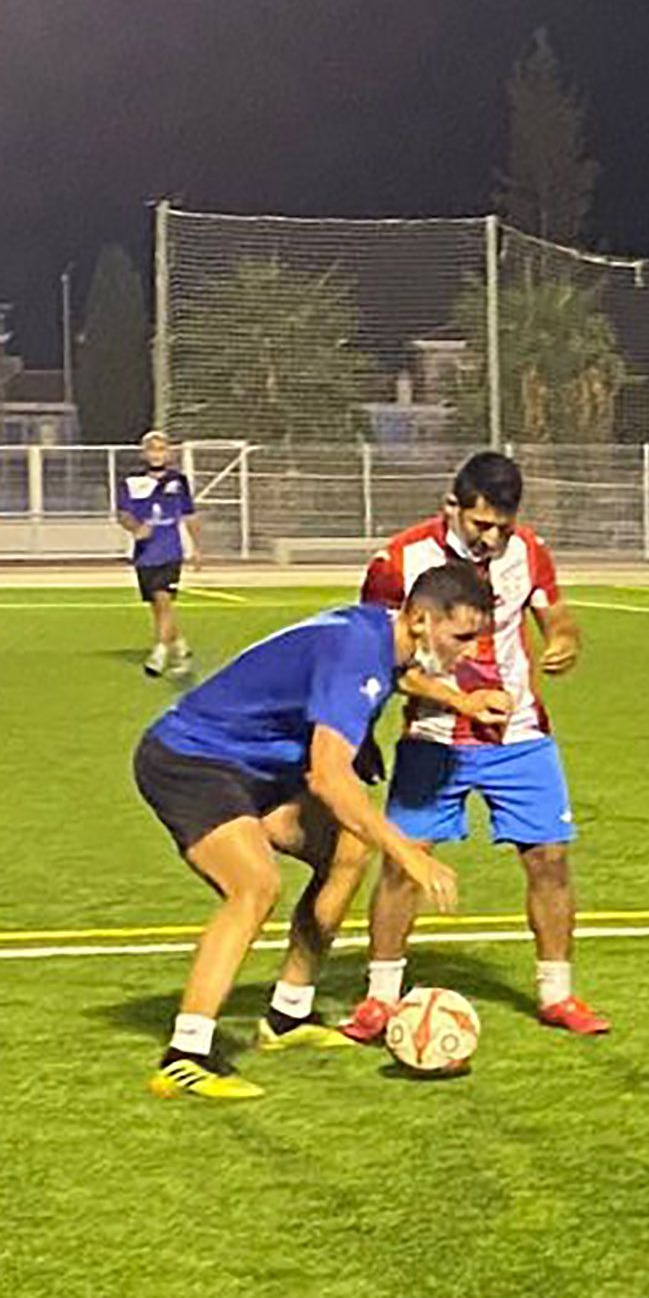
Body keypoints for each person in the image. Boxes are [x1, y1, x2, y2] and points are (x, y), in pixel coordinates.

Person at [134, 562, 483, 1099]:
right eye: (461, 637)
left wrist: (461, 702)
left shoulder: (381, 636)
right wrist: (409, 854)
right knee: (254, 886)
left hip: (254, 766)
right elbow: (327, 777)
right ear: (419, 618)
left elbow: (399, 676)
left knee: (348, 850)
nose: (468, 651)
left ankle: (287, 1015)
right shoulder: (356, 654)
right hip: (190, 759)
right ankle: (185, 1053)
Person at [340, 451, 610, 1042]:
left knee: (550, 860)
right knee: (403, 866)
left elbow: (557, 616)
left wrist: (564, 641)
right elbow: (379, 657)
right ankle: (380, 999)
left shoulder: (528, 552)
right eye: (480, 524)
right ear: (452, 507)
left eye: (502, 527)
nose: (491, 538)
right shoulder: (399, 560)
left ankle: (557, 995)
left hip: (521, 738)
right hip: (433, 740)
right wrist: (455, 702)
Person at [116, 430, 199, 676]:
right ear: (144, 453)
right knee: (158, 606)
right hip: (145, 554)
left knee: (163, 599)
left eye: (161, 449)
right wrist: (136, 528)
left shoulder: (179, 482)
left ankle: (159, 652)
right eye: (152, 449)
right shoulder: (132, 482)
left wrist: (196, 548)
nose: (157, 454)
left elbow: (190, 515)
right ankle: (180, 645)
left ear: (169, 453)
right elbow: (123, 514)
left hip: (171, 551)